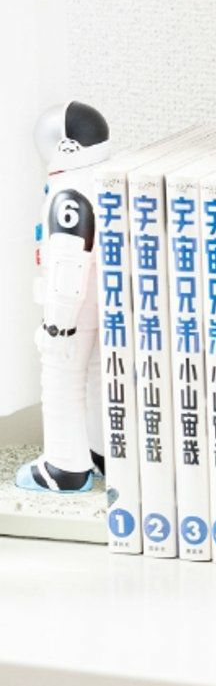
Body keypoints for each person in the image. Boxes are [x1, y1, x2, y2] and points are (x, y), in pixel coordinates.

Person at [17, 102, 111, 493]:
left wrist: (58, 323)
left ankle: (64, 466)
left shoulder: (69, 193)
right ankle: (102, 451)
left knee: (61, 380)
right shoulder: (103, 178)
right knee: (97, 377)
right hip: (102, 301)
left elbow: (69, 260)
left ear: (66, 146)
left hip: (73, 310)